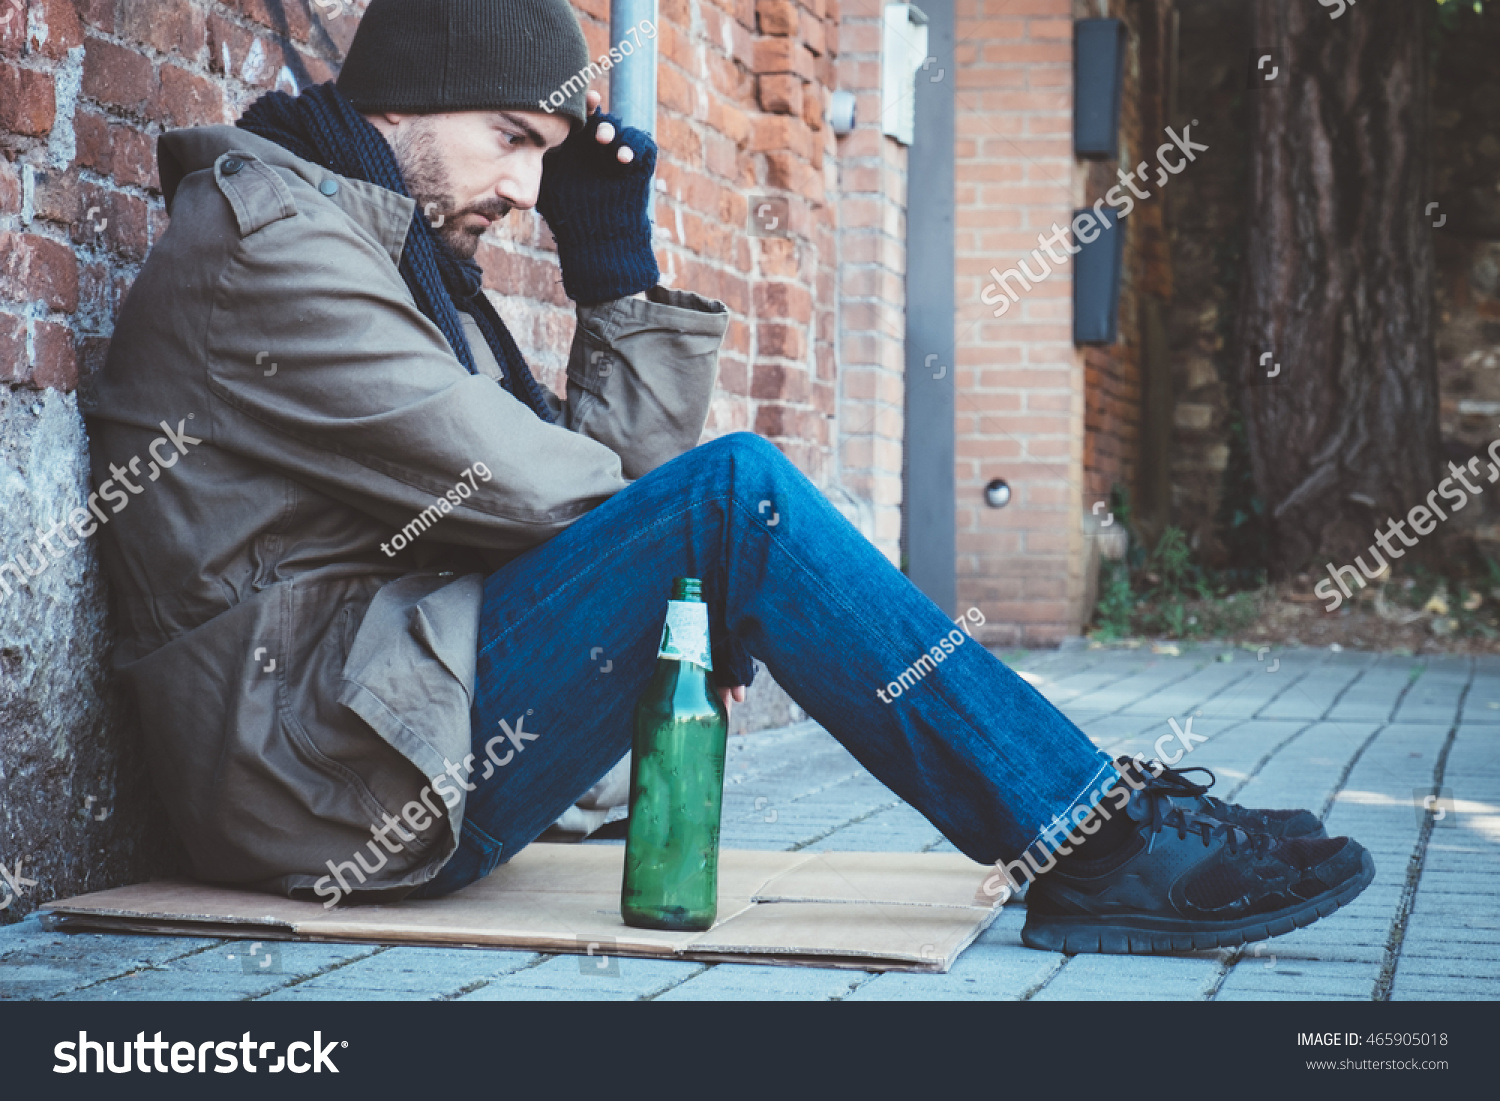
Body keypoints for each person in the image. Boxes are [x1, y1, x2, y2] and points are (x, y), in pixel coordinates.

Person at [82, 0, 1372, 956]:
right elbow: (551, 497)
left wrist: (617, 287)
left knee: (721, 514)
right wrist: (692, 556)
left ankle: (1090, 813)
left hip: (372, 718)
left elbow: (589, 507)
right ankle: (1091, 837)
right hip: (307, 779)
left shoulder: (377, 240)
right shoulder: (276, 255)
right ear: (402, 105)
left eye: (543, 156)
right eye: (510, 141)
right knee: (737, 497)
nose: (528, 190)